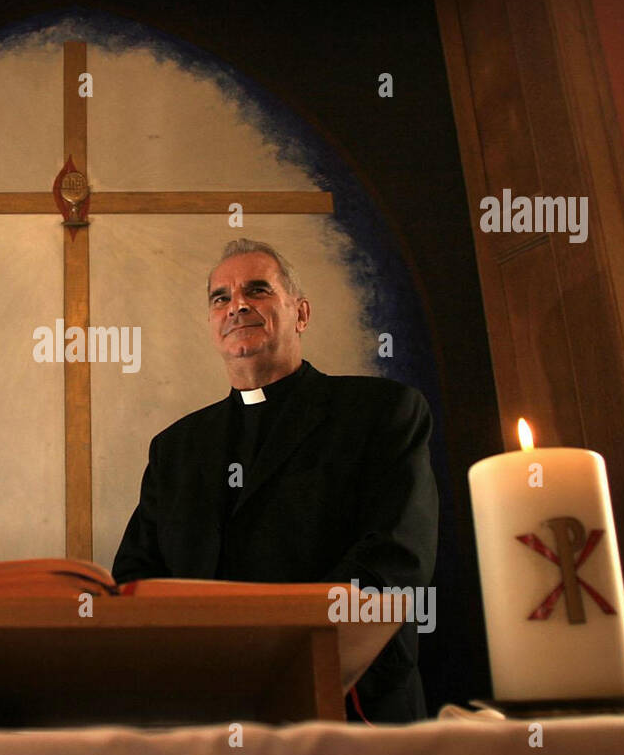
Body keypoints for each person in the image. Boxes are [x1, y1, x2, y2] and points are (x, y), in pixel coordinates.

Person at [112, 238, 438, 722]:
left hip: (343, 696)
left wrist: (279, 648)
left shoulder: (381, 412)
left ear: (301, 313)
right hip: (205, 707)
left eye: (257, 290)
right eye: (220, 297)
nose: (237, 304)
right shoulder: (176, 448)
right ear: (212, 325)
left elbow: (394, 559)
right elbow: (135, 579)